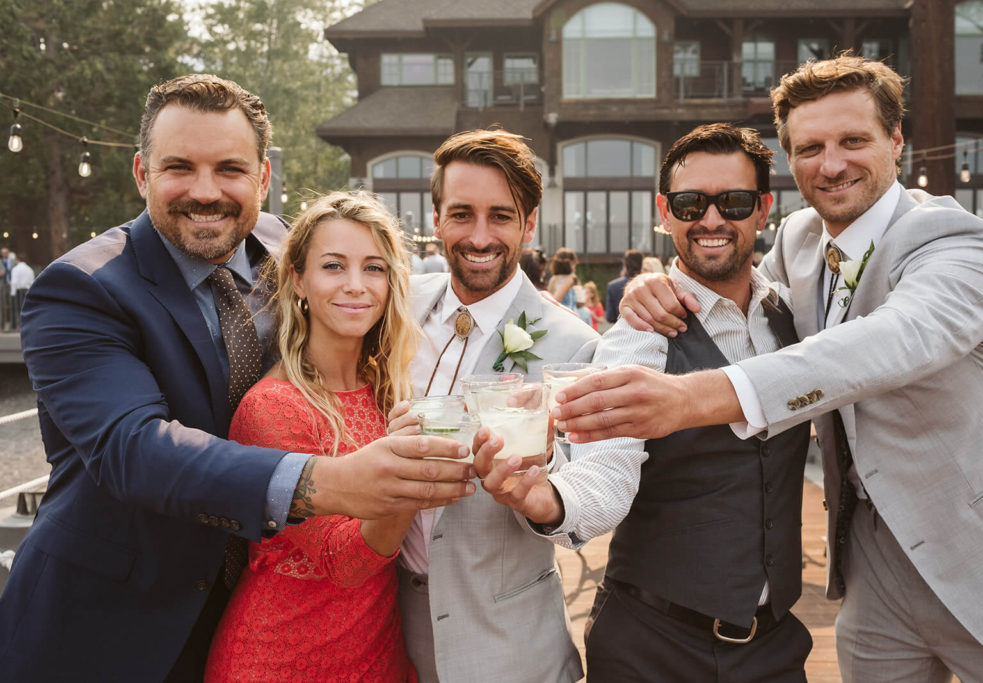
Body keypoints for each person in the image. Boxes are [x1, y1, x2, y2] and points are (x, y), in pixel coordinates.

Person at [557, 55, 983, 680]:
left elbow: (893, 341)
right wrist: (654, 284)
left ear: (896, 141)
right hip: (870, 574)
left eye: (853, 140)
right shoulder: (803, 239)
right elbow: (731, 288)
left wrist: (693, 398)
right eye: (810, 147)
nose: (831, 165)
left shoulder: (957, 241)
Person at [0, 74, 474, 682]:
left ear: (263, 177)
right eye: (179, 168)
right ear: (142, 174)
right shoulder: (80, 289)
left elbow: (374, 285)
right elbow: (133, 449)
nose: (205, 192)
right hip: (110, 628)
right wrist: (325, 482)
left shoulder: (284, 247)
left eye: (228, 168)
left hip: (256, 613)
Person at [474, 124, 812, 681]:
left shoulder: (794, 318)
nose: (710, 219)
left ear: (763, 209)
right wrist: (552, 500)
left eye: (734, 201)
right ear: (664, 211)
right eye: (689, 203)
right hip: (652, 647)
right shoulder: (638, 336)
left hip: (775, 647)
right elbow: (607, 466)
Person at [391, 129, 598, 683]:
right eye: (461, 214)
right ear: (435, 218)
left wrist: (541, 489)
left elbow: (582, 490)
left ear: (529, 224)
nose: (480, 237)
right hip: (384, 622)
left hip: (504, 640)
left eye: (501, 217)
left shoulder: (571, 343)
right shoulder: (397, 306)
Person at [206, 192, 422, 680]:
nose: (355, 286)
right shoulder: (271, 407)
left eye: (374, 268)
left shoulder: (389, 391)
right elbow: (344, 561)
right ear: (298, 280)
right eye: (333, 266)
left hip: (376, 652)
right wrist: (414, 473)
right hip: (279, 655)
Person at [604, 248, 642, 324]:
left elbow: (610, 317)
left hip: (621, 330)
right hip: (648, 332)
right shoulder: (647, 283)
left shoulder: (613, 286)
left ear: (625, 264)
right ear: (641, 263)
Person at [548, 246, 580, 313]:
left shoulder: (553, 278)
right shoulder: (570, 278)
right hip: (568, 317)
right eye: (574, 263)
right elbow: (556, 300)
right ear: (569, 262)